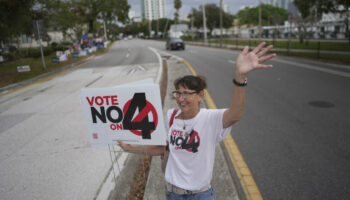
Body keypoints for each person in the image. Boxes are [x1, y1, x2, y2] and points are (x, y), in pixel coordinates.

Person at [118, 42, 276, 200]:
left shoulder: (210, 118)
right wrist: (129, 147)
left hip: (201, 195)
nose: (181, 98)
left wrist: (239, 78)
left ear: (200, 95)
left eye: (186, 93)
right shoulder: (171, 116)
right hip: (173, 193)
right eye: (178, 93)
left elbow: (235, 114)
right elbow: (162, 149)